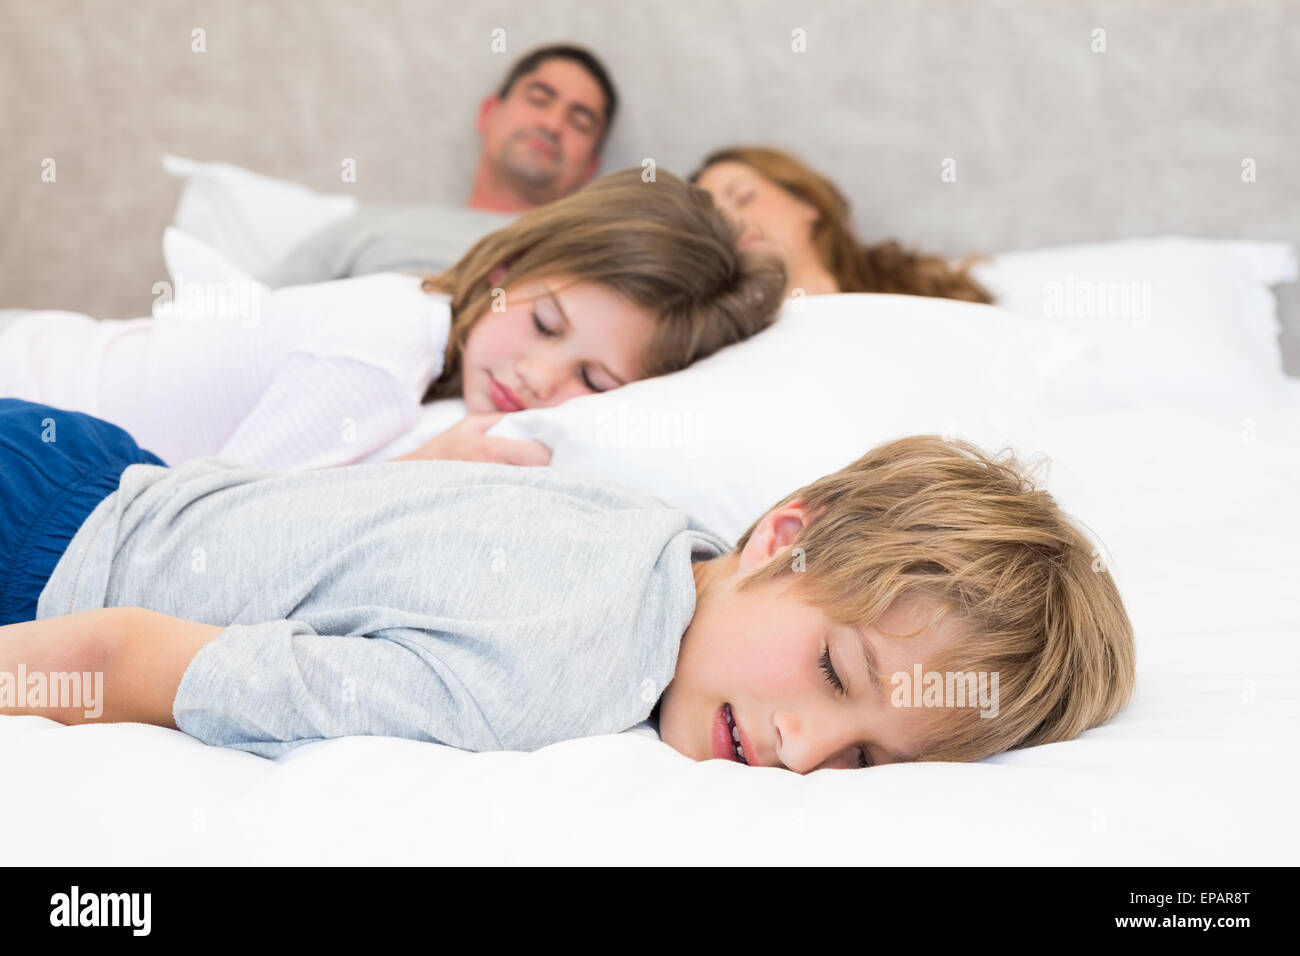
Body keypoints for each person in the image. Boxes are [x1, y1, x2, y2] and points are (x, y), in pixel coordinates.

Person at [0, 398, 1136, 771]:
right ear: (785, 531)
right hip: (45, 563)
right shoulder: (558, 677)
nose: (801, 745)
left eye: (864, 755)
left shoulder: (674, 540)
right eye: (837, 672)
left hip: (97, 466)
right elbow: (130, 659)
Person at [0, 169, 786, 470]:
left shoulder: (436, 353)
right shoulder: (386, 346)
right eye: (545, 325)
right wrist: (422, 470)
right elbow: (214, 529)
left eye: (595, 378)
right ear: (504, 273)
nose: (539, 378)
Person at [263, 44, 619, 288]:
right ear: (489, 114)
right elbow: (265, 316)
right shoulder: (369, 226)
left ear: (591, 168)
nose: (552, 124)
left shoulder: (581, 261)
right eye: (539, 99)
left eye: (580, 122)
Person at [690, 145, 994, 304]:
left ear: (807, 203)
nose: (731, 221)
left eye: (743, 197)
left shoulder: (922, 294)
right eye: (714, 221)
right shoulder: (725, 349)